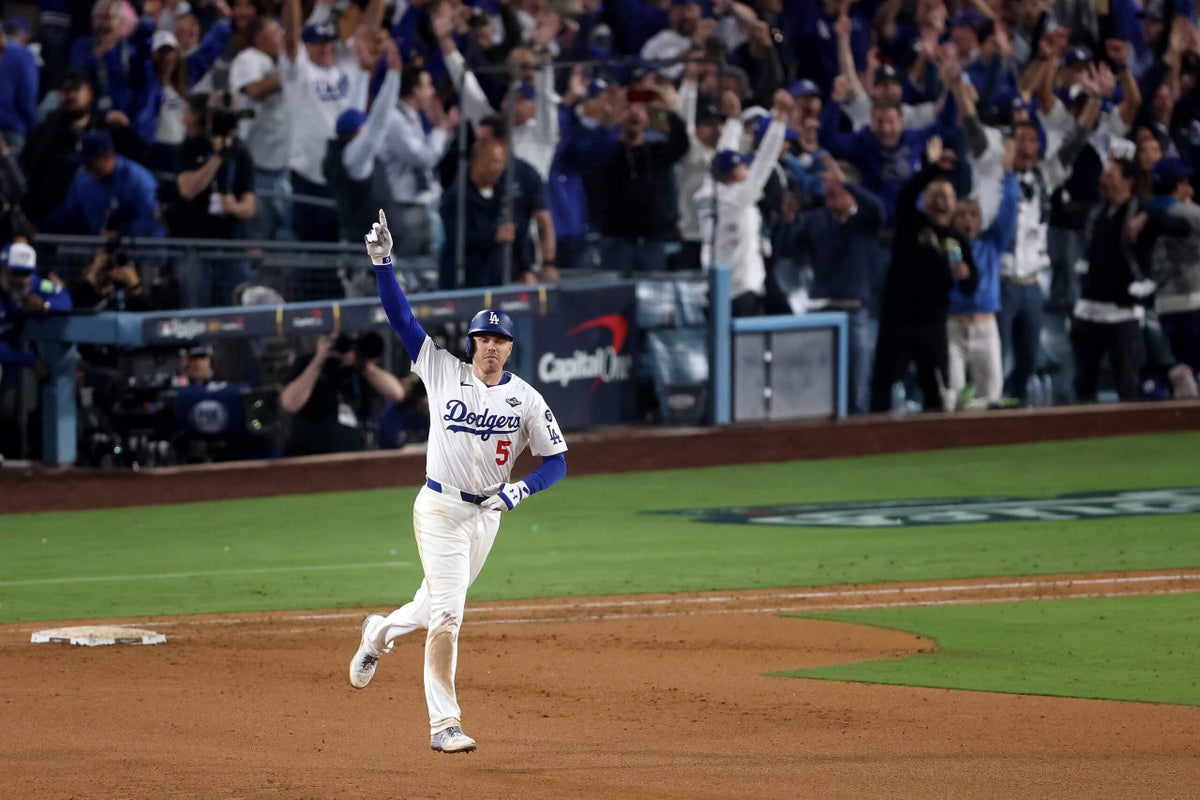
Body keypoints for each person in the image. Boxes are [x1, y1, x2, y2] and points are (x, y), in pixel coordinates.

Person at [350, 210, 569, 755]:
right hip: (440, 509)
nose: (489, 346)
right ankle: (443, 724)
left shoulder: (528, 400)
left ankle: (377, 633)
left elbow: (557, 461)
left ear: (511, 348)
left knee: (430, 607)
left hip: (487, 517)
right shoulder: (442, 369)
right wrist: (383, 264)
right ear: (471, 343)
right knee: (449, 614)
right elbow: (401, 320)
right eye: (482, 338)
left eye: (499, 339)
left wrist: (521, 489)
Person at [870, 135, 979, 413]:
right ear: (925, 201)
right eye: (935, 196)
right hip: (898, 320)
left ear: (955, 204)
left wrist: (966, 276)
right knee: (883, 386)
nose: (941, 202)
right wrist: (931, 169)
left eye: (946, 197)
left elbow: (970, 286)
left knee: (936, 391)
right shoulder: (912, 223)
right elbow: (906, 195)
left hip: (933, 324)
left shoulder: (957, 238)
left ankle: (935, 446)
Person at [697, 89, 792, 316]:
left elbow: (723, 155)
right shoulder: (738, 198)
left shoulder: (708, 190)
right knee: (740, 348)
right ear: (731, 175)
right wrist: (780, 120)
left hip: (714, 286)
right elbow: (765, 160)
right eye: (741, 168)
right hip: (740, 290)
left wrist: (733, 121)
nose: (746, 169)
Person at [1070, 157, 1146, 402]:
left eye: (1111, 176)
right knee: (1083, 383)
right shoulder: (1097, 213)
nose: (1103, 181)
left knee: (1127, 383)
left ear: (1128, 182)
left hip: (1121, 311)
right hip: (1090, 308)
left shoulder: (1139, 212)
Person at [947, 171, 1020, 408]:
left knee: (991, 398)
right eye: (961, 215)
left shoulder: (991, 245)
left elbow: (1009, 210)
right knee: (952, 399)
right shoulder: (944, 246)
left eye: (973, 215)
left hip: (985, 328)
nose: (967, 220)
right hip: (953, 329)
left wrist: (1009, 175)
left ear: (980, 221)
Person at [278, 329, 407, 457]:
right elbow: (289, 404)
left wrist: (363, 363)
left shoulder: (360, 369)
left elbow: (396, 393)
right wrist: (319, 360)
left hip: (352, 457)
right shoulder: (307, 363)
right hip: (309, 456)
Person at [0, 242, 72, 459]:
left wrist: (44, 306)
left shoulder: (36, 285)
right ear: (2, 269)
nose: (22, 279)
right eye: (16, 273)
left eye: (26, 273)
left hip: (15, 356)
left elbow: (64, 299)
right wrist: (30, 361)